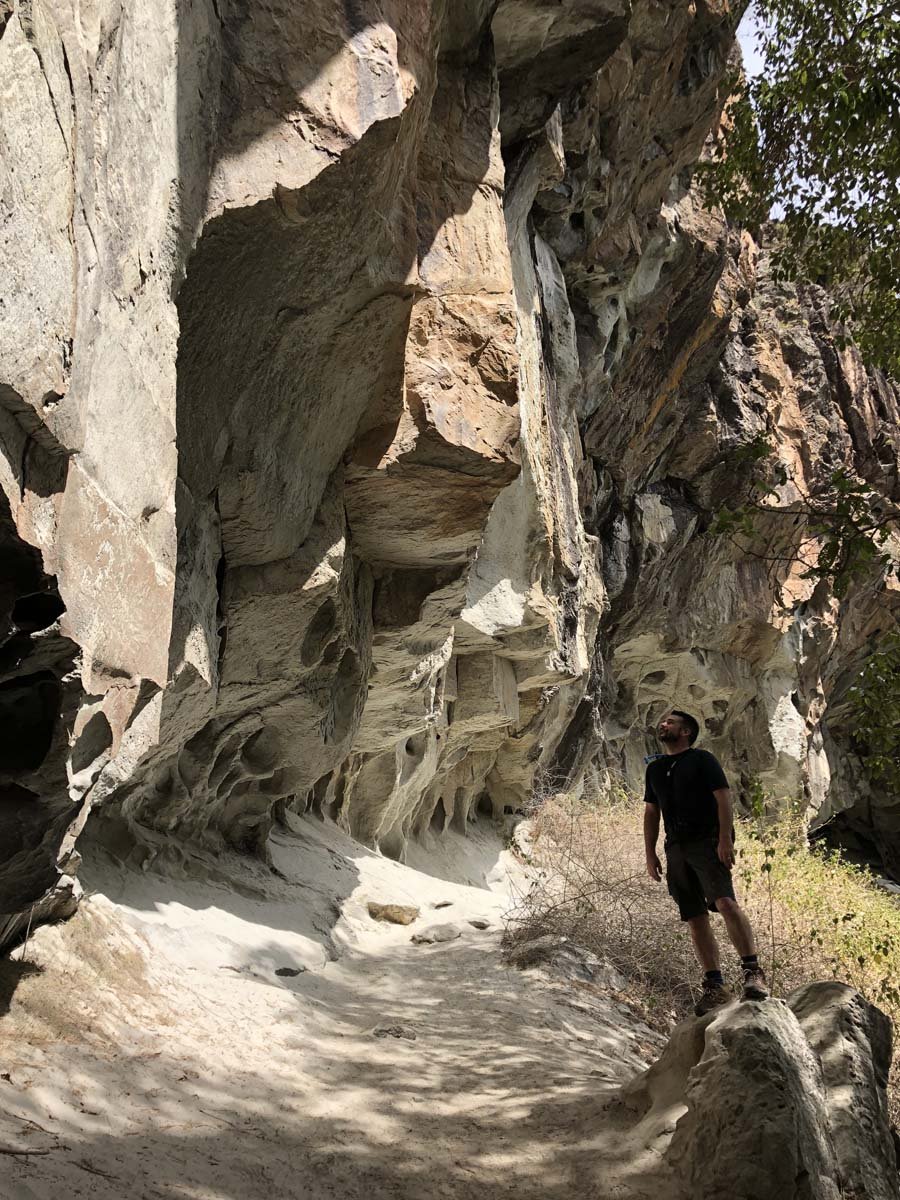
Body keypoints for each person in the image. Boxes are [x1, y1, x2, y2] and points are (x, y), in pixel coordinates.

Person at [643, 708, 769, 1015]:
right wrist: (650, 854)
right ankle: (715, 986)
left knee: (725, 902)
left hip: (707, 841)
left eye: (670, 722)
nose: (663, 724)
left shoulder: (702, 760)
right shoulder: (655, 769)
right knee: (694, 916)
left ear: (685, 731)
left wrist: (725, 839)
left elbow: (723, 797)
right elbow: (651, 812)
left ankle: (753, 972)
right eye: (663, 721)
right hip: (676, 848)